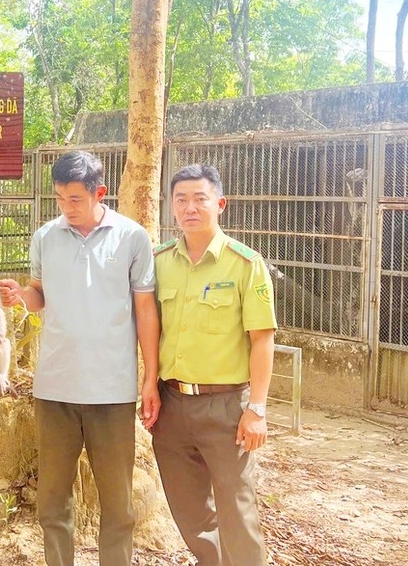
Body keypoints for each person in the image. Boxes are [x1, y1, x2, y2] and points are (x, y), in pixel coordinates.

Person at [0, 150, 161, 566]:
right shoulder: (45, 237)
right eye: (59, 198)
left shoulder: (132, 237)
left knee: (118, 501)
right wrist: (20, 296)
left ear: (99, 192)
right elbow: (38, 296)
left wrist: (149, 377)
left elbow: (145, 311)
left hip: (112, 391)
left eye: (75, 199)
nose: (66, 208)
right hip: (55, 390)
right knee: (53, 499)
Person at [151, 164, 277, 566]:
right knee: (188, 512)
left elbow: (262, 339)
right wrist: (149, 386)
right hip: (171, 406)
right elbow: (150, 329)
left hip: (226, 409)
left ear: (219, 204)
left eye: (200, 198)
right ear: (171, 207)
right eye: (181, 199)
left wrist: (256, 408)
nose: (190, 207)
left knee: (237, 510)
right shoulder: (159, 262)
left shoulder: (244, 264)